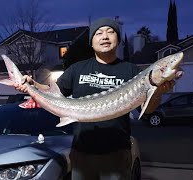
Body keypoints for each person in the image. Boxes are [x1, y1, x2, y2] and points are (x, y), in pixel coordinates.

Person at [14, 17, 182, 180]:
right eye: (99, 33)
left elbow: (147, 110)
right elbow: (53, 93)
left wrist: (158, 92)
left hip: (117, 153)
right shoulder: (77, 69)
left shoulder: (131, 71)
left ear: (118, 39)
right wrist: (31, 85)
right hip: (81, 151)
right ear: (92, 41)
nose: (105, 36)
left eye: (111, 32)